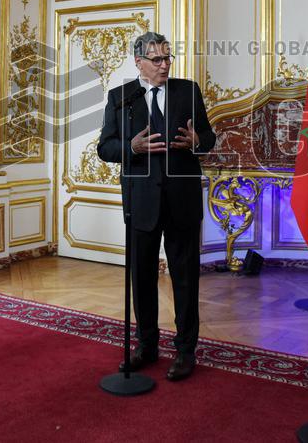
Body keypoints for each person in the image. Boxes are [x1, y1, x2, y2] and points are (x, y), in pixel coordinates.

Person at [97, 31, 216, 381]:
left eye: (168, 58)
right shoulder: (120, 97)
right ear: (139, 62)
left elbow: (208, 137)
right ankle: (146, 346)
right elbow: (105, 147)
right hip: (141, 203)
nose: (165, 65)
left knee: (185, 278)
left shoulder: (188, 90)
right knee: (142, 278)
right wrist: (131, 147)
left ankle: (185, 351)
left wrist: (197, 141)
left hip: (182, 201)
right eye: (157, 59)